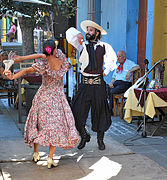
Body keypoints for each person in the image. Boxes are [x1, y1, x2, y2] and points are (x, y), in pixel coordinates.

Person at [4, 39, 80, 169]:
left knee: (38, 125)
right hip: (58, 98)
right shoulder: (61, 58)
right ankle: (50, 158)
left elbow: (27, 70)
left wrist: (13, 75)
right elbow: (41, 55)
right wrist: (22, 58)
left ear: (45, 51)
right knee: (56, 127)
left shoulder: (43, 64)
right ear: (55, 50)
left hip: (43, 96)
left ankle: (35, 153)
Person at [66, 20, 117, 150]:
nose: (87, 32)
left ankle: (100, 140)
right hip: (84, 85)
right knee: (77, 111)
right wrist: (78, 35)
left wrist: (106, 71)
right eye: (87, 30)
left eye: (90, 30)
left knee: (100, 111)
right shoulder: (81, 45)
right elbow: (69, 33)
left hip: (98, 84)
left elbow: (112, 59)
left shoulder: (104, 46)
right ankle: (84, 135)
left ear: (97, 33)